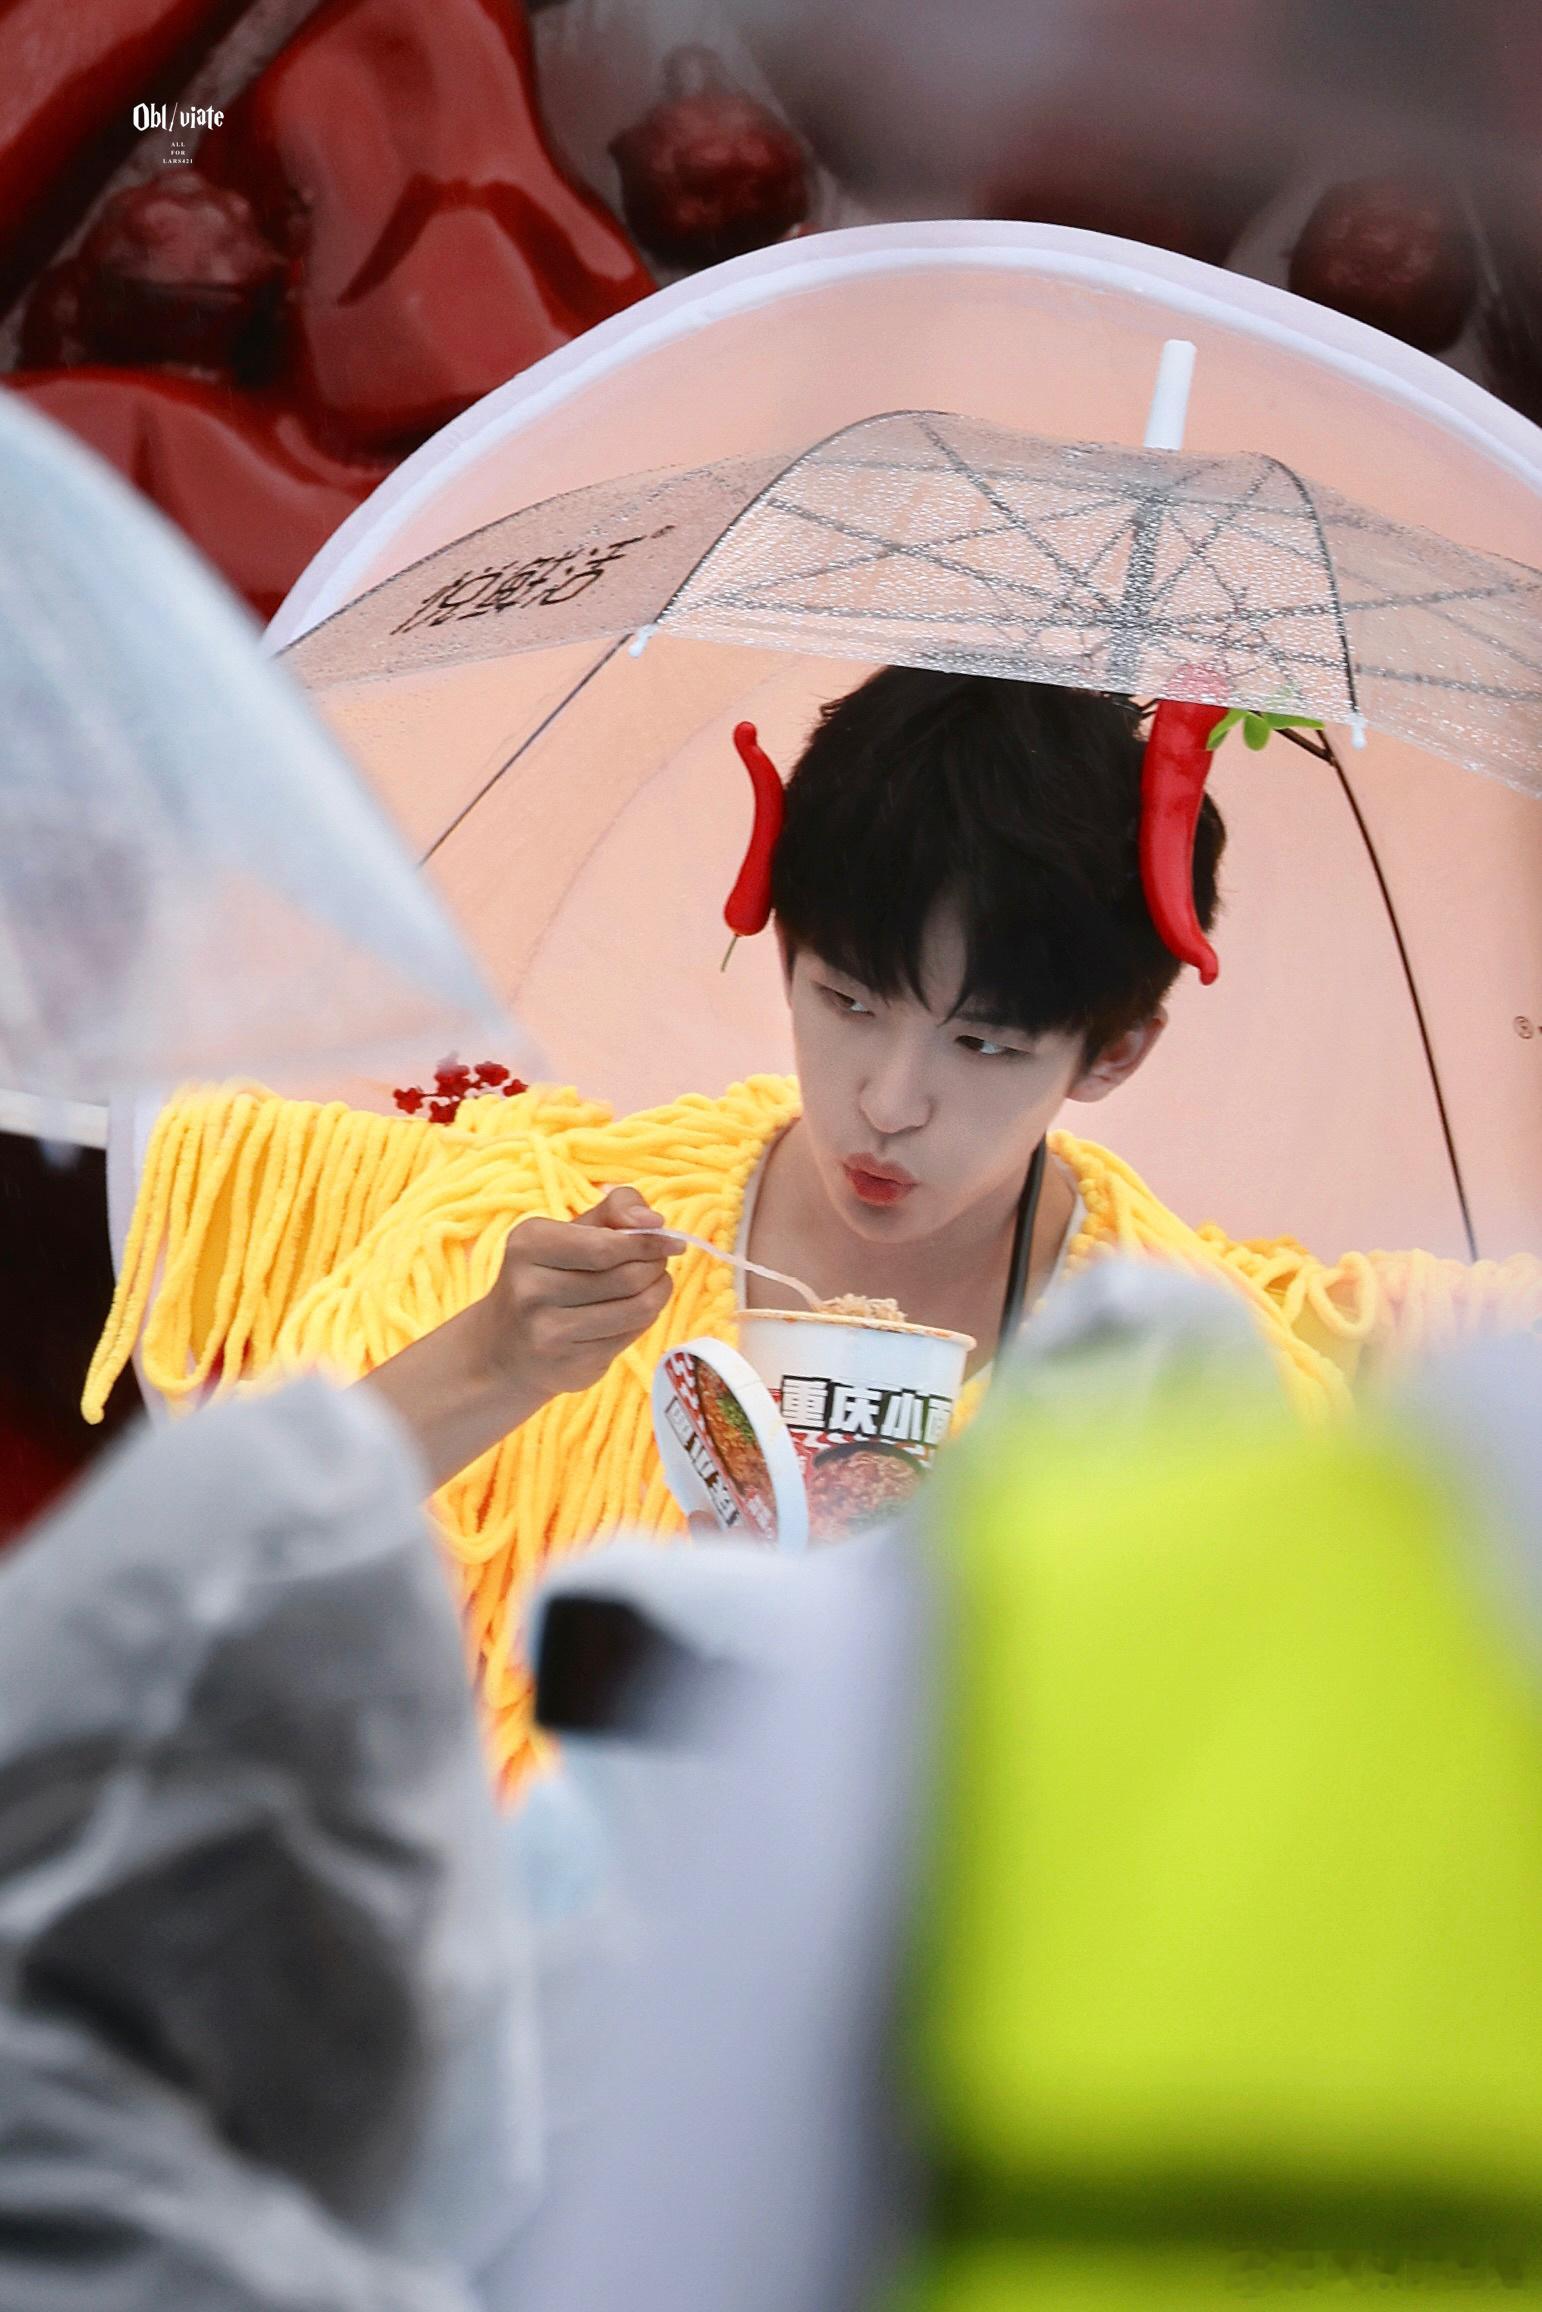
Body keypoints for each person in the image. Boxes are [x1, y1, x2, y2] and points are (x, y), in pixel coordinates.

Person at [83, 669, 1542, 1789]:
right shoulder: (558, 1212)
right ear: (780, 945)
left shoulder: (1180, 1386)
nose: (888, 1103)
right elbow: (216, 1576)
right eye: (846, 1000)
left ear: (1111, 1054)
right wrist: (494, 1362)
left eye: (983, 1045)